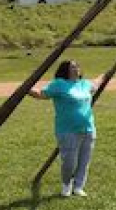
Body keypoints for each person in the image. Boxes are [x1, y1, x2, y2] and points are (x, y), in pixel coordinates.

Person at [28, 60, 98, 197]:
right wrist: (25, 89)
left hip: (88, 128)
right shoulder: (59, 84)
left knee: (84, 160)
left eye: (77, 66)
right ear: (65, 69)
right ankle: (66, 185)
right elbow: (41, 94)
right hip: (67, 130)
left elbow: (96, 83)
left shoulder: (85, 84)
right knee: (69, 161)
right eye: (72, 67)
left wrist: (105, 75)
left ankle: (78, 187)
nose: (76, 68)